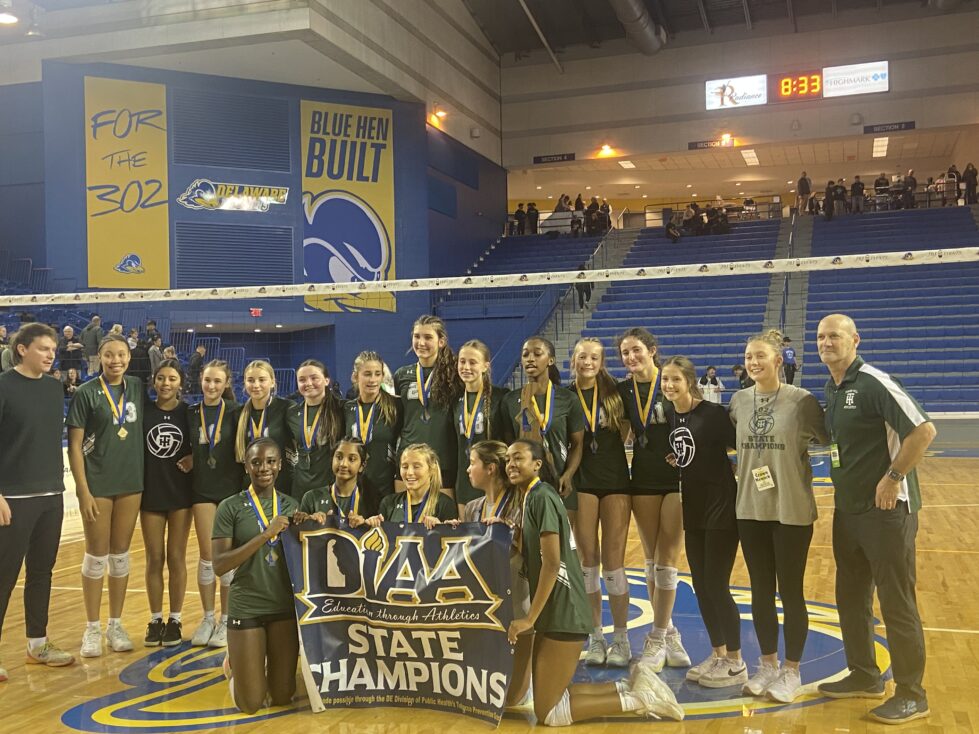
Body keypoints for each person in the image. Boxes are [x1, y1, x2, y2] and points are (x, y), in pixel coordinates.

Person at [504, 439, 684, 724]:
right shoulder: (531, 497)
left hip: (564, 610)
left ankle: (639, 700)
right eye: (508, 459)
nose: (511, 464)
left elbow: (552, 564)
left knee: (550, 712)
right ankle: (628, 687)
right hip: (559, 609)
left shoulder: (541, 496)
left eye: (518, 458)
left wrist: (529, 619)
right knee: (553, 697)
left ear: (537, 464)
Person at [815, 314, 936, 725]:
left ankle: (912, 694)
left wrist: (893, 477)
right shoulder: (833, 388)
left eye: (835, 335)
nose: (826, 342)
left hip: (887, 513)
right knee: (850, 598)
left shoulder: (874, 381)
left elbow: (923, 430)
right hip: (848, 512)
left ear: (855, 340)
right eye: (820, 336)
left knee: (896, 603)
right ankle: (865, 674)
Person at [729, 331, 828, 702]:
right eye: (748, 356)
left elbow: (829, 440)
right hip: (750, 509)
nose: (753, 362)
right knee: (759, 590)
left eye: (760, 357)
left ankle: (791, 671)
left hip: (792, 509)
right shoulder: (738, 401)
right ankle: (767, 664)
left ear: (778, 361)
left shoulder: (802, 401)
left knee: (790, 591)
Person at [661, 356, 744, 688]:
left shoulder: (712, 413)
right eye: (665, 380)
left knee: (717, 584)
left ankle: (736, 661)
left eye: (675, 380)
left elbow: (738, 446)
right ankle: (718, 654)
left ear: (690, 382)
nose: (669, 385)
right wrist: (679, 460)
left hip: (721, 505)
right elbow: (693, 451)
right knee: (700, 585)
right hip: (692, 506)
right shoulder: (671, 414)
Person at [0, 324, 75, 680]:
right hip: (12, 498)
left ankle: (37, 644)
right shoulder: (3, 387)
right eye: (43, 348)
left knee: (41, 573)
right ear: (22, 350)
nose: (50, 355)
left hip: (52, 495)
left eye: (53, 349)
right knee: (3, 577)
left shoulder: (53, 387)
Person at [67, 333, 145, 657]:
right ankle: (91, 628)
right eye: (109, 355)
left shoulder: (137, 388)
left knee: (120, 555)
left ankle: (115, 624)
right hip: (98, 485)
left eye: (122, 355)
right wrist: (82, 491)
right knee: (96, 556)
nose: (116, 361)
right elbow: (74, 446)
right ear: (99, 357)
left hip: (131, 483)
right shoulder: (86, 392)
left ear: (129, 356)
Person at [615, 328, 689, 670]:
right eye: (625, 352)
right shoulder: (623, 389)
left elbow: (693, 416)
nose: (631, 357)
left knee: (667, 558)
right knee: (649, 559)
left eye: (637, 350)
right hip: (642, 476)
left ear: (652, 350)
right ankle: (669, 631)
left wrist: (687, 452)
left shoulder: (671, 379)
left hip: (675, 478)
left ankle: (656, 637)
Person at [212, 438, 302, 714]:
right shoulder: (229, 507)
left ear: (280, 465)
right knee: (251, 704)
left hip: (283, 607)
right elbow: (219, 565)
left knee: (283, 696)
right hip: (247, 606)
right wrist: (266, 534)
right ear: (246, 467)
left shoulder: (290, 505)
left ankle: (250, 665)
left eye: (271, 461)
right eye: (256, 462)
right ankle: (234, 666)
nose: (264, 468)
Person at [568, 338, 633, 668]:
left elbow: (625, 432)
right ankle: (596, 635)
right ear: (574, 359)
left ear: (602, 360)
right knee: (588, 563)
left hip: (616, 480)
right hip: (583, 481)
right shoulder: (566, 395)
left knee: (614, 563)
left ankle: (621, 638)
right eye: (582, 356)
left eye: (594, 357)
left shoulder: (616, 393)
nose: (588, 362)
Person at [502, 336, 585, 529]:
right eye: (525, 355)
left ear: (551, 360)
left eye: (537, 354)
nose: (530, 358)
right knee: (527, 548)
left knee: (560, 548)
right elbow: (508, 446)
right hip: (523, 486)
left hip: (560, 484)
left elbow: (578, 444)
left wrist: (568, 475)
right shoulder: (510, 400)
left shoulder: (568, 399)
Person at [187, 360, 241, 648]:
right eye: (207, 380)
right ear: (200, 380)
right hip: (202, 491)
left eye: (217, 381)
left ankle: (227, 620)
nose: (211, 386)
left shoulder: (236, 411)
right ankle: (208, 617)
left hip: (230, 491)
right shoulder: (191, 412)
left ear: (226, 384)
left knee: (227, 558)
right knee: (207, 556)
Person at [140, 359, 194, 647]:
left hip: (181, 495)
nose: (165, 383)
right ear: (153, 381)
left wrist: (193, 458)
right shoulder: (145, 412)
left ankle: (175, 619)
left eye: (172, 378)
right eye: (161, 378)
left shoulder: (189, 413)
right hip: (151, 494)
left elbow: (204, 443)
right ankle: (154, 618)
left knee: (176, 557)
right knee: (154, 558)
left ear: (180, 384)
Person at [393, 316, 463, 497]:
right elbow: (398, 420)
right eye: (417, 336)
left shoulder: (455, 375)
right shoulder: (402, 375)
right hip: (408, 460)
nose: (421, 342)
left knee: (442, 521)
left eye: (428, 337)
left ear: (441, 341)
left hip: (443, 460)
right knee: (406, 519)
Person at [453, 340, 508, 518]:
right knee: (468, 539)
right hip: (465, 478)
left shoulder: (501, 397)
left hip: (494, 479)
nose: (466, 367)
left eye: (472, 362)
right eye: (462, 361)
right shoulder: (454, 400)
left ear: (485, 366)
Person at [345, 351, 403, 502]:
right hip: (354, 489)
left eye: (377, 374)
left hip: (386, 489)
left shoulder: (396, 406)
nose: (373, 380)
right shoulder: (346, 409)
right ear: (355, 376)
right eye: (367, 374)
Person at [235, 360, 295, 498]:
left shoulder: (286, 408)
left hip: (282, 486)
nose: (256, 385)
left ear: (272, 382)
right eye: (250, 380)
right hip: (249, 487)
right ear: (244, 383)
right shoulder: (238, 414)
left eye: (262, 380)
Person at [287, 360, 345, 501]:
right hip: (300, 487)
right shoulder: (292, 413)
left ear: (326, 380)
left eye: (314, 378)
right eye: (302, 380)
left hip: (331, 486)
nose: (308, 383)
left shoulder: (341, 409)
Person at [365, 444, 457, 527]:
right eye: (404, 467)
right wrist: (370, 526)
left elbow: (452, 543)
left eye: (416, 466)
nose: (409, 473)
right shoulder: (388, 503)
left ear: (431, 470)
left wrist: (441, 529)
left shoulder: (445, 505)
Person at [299, 436, 374, 523]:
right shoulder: (311, 498)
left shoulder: (371, 502)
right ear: (332, 460)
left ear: (362, 466)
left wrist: (365, 524)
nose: (343, 464)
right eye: (339, 457)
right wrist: (311, 522)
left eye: (351, 459)